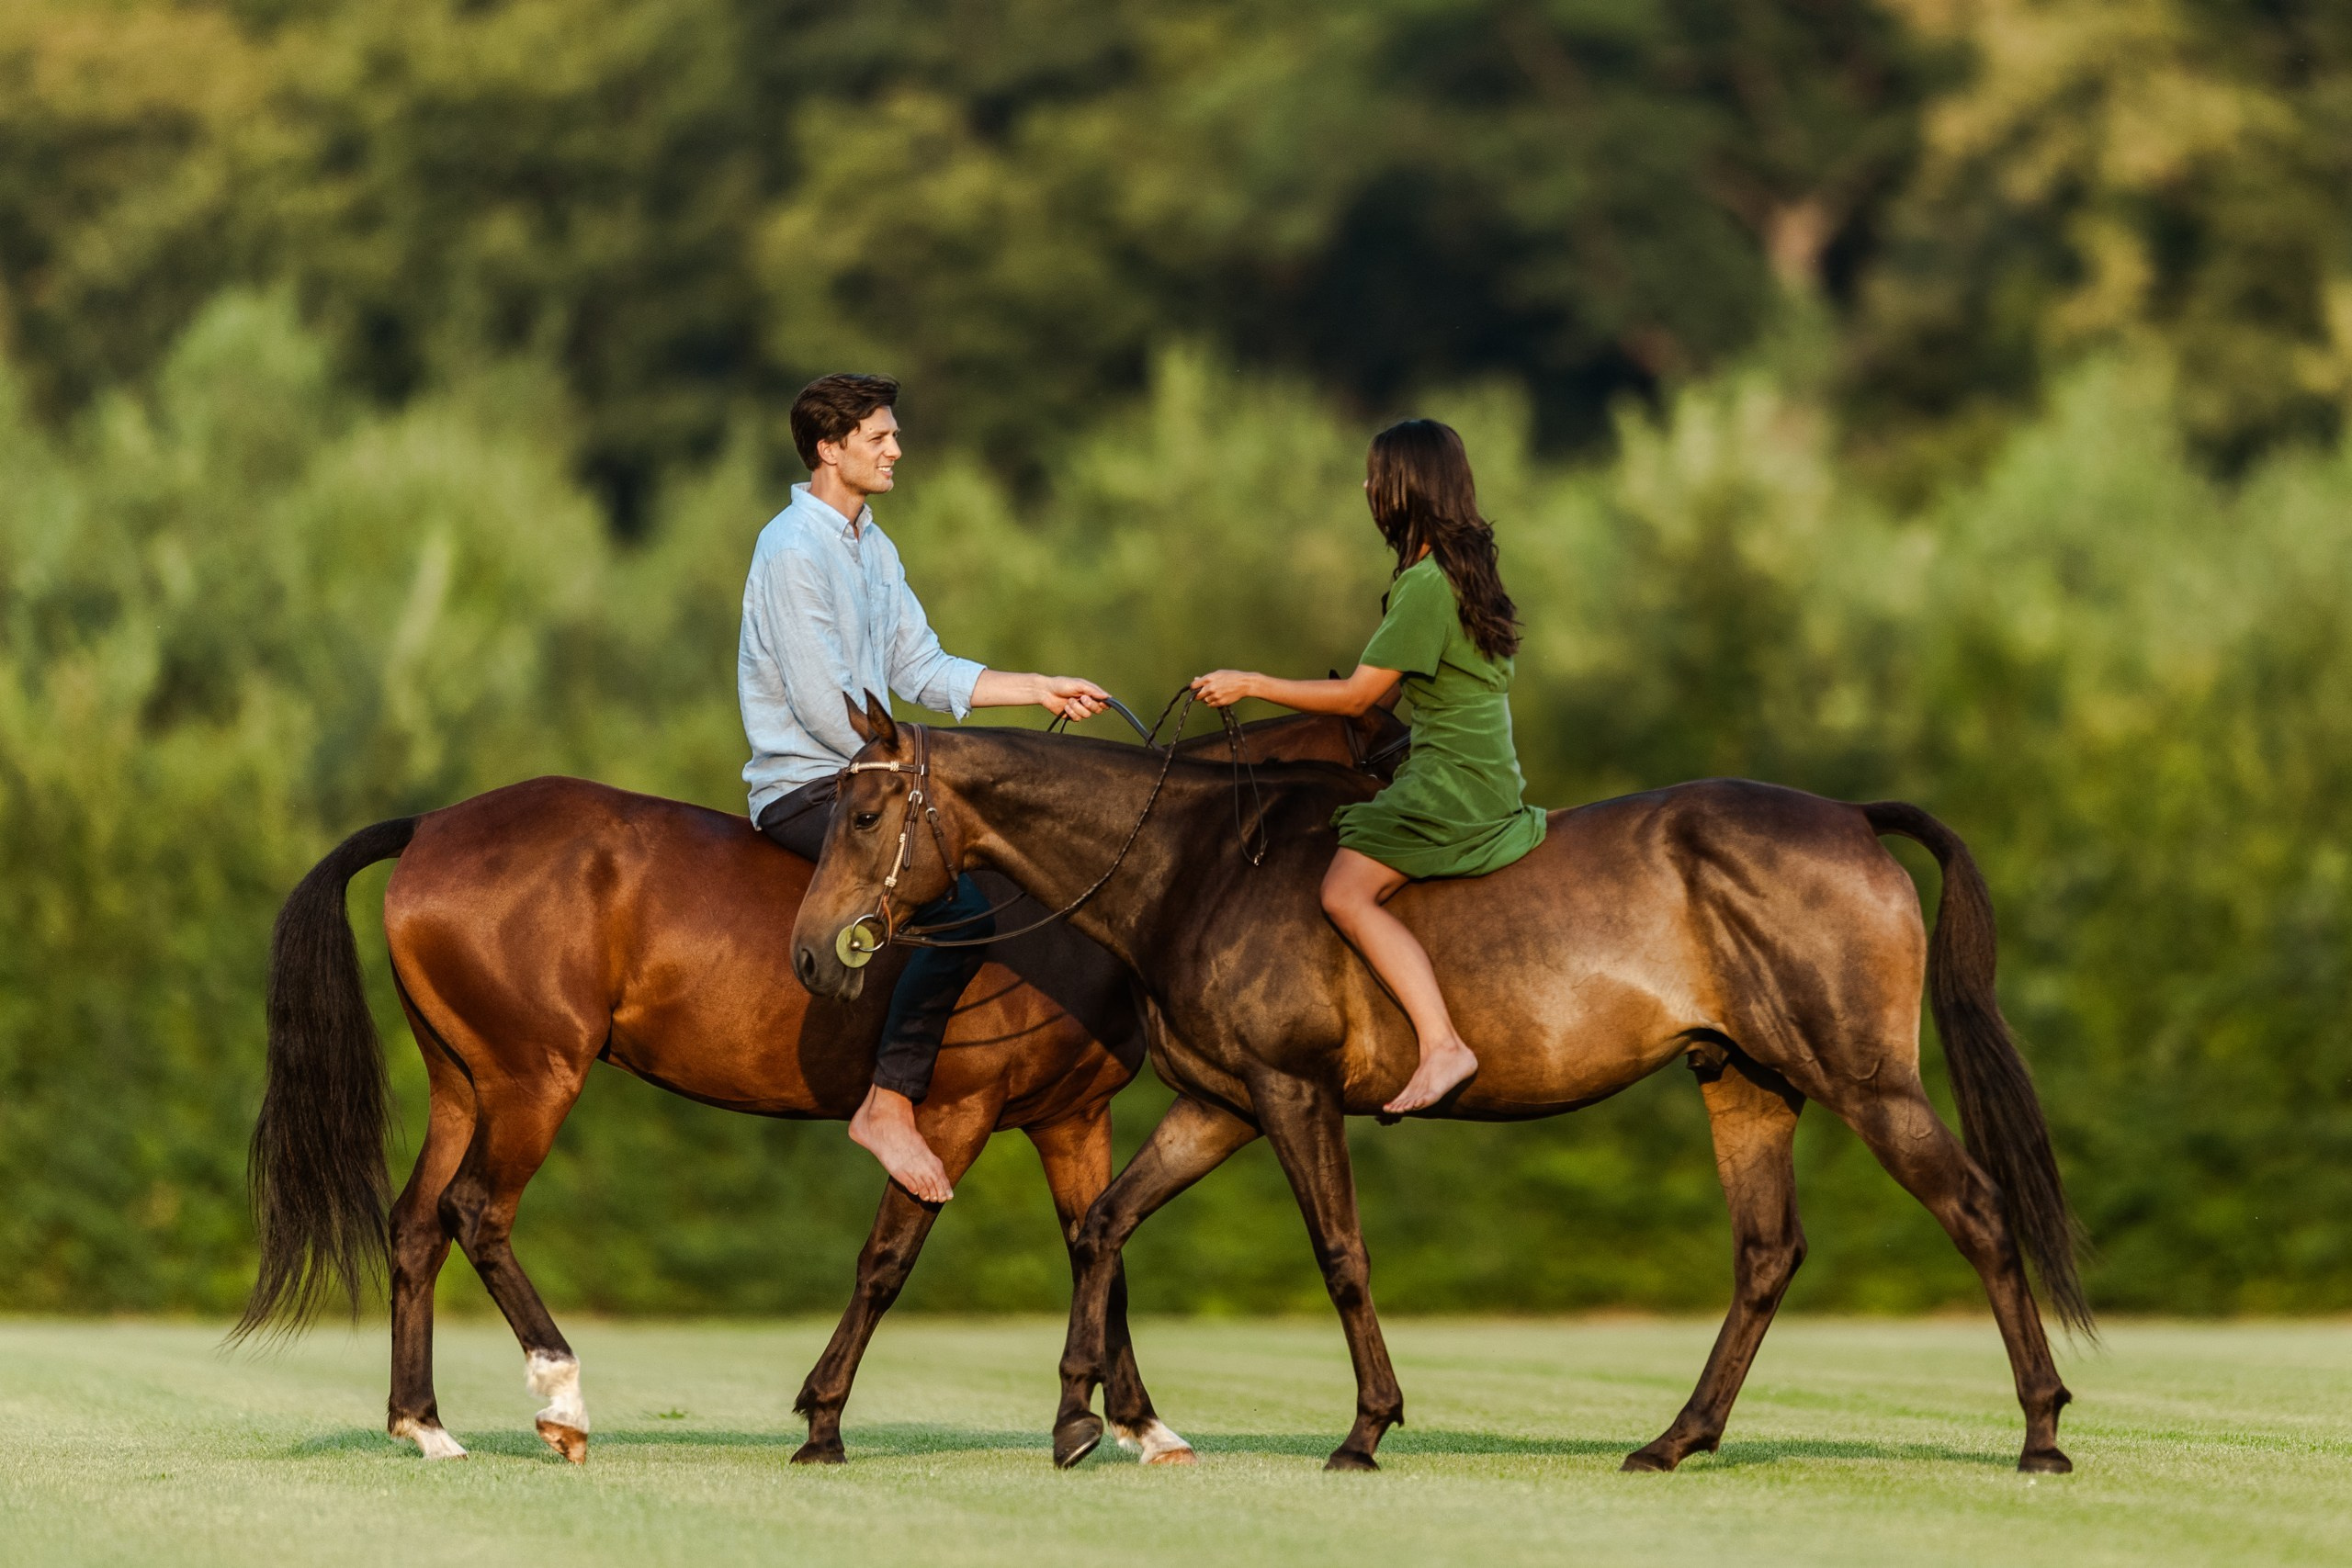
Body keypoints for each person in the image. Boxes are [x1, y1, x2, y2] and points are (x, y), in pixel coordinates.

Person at [744, 372, 1111, 1202]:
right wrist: (922, 769)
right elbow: (820, 704)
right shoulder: (790, 549)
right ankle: (888, 1101)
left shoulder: (874, 545)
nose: (896, 449)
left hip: (877, 779)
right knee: (963, 907)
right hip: (809, 787)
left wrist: (1038, 686)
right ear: (831, 448)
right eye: (879, 437)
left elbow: (921, 667)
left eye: (893, 434)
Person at [1192, 418, 1546, 1115]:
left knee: (1343, 892)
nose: (1364, 488)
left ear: (1403, 488)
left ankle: (1443, 1043)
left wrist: (1251, 682)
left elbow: (1360, 695)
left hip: (1451, 782)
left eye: (1374, 477)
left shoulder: (1424, 585)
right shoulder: (1462, 573)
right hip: (1483, 771)